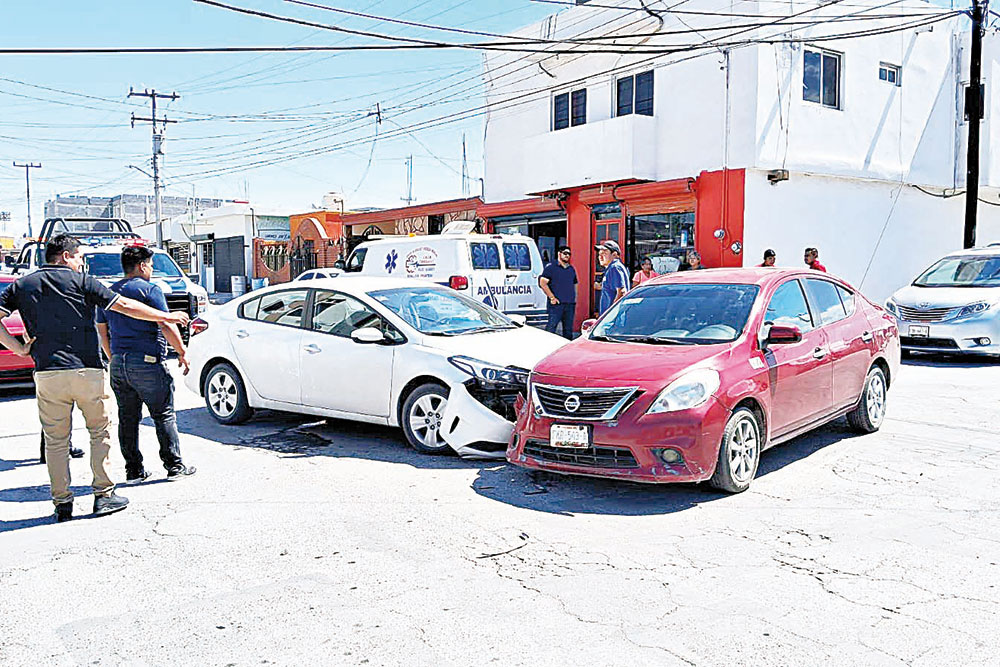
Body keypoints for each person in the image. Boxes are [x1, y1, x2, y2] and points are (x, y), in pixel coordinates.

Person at [0, 234, 189, 522]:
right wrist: (168, 317)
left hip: (47, 373)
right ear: (65, 256)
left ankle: (62, 503)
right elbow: (124, 306)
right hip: (87, 369)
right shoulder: (84, 283)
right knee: (99, 432)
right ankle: (104, 495)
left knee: (56, 441)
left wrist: (18, 348)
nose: (80, 263)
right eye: (78, 257)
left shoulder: (23, 285)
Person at [96, 246, 196, 485]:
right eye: (150, 265)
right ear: (142, 266)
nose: (151, 269)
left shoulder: (109, 293)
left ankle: (134, 471)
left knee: (128, 417)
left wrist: (114, 358)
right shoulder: (150, 290)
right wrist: (182, 352)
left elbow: (102, 331)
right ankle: (174, 466)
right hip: (148, 362)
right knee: (163, 414)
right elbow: (165, 324)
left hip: (119, 362)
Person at [538, 245, 577, 340]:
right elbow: (542, 283)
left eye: (569, 254)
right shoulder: (551, 267)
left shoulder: (571, 269)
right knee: (551, 327)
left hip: (569, 304)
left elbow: (575, 283)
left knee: (568, 330)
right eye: (565, 253)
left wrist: (574, 298)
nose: (567, 255)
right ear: (559, 254)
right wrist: (552, 297)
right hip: (556, 305)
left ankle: (567, 349)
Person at [594, 240, 629, 315]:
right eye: (599, 254)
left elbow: (622, 292)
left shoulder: (614, 267)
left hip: (612, 319)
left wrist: (611, 314)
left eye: (604, 253)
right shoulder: (612, 268)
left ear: (614, 254)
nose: (600, 256)